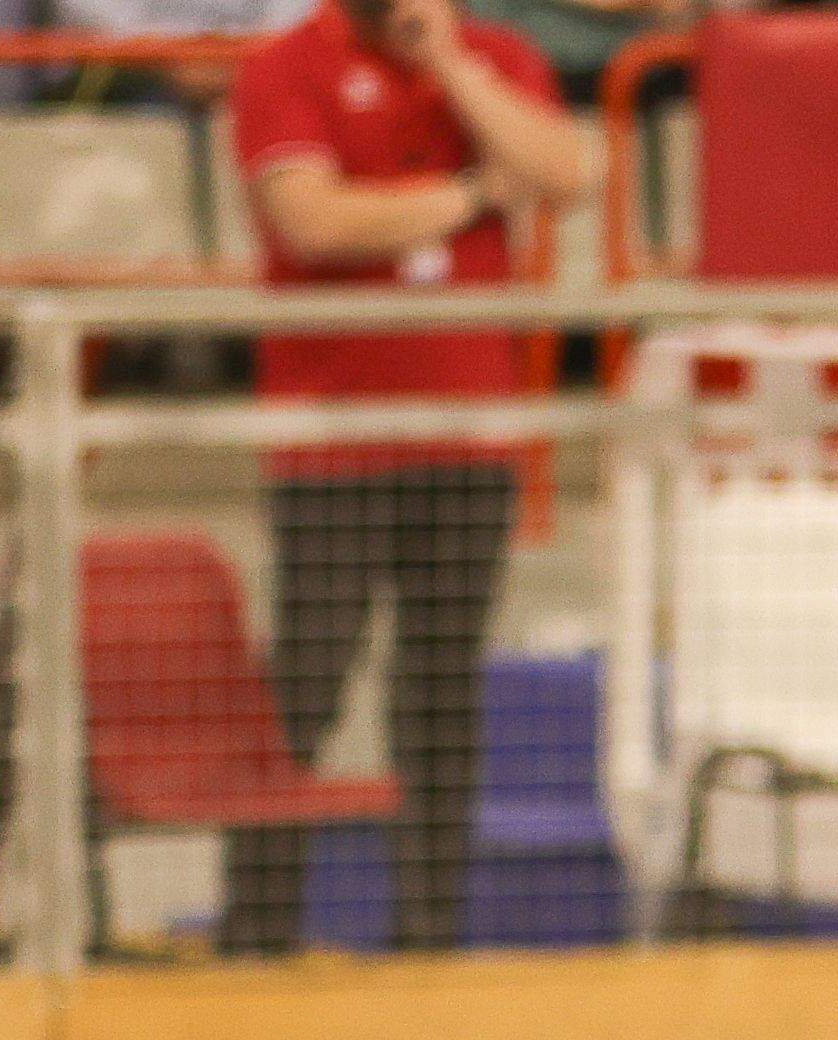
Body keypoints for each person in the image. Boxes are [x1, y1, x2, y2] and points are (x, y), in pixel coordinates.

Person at [223, 0, 599, 954]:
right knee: (307, 684)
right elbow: (313, 221)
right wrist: (472, 196)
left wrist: (455, 69)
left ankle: (430, 927)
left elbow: (571, 172)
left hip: (469, 437)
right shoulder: (286, 66)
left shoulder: (499, 56)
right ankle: (259, 927)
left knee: (440, 690)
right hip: (333, 439)